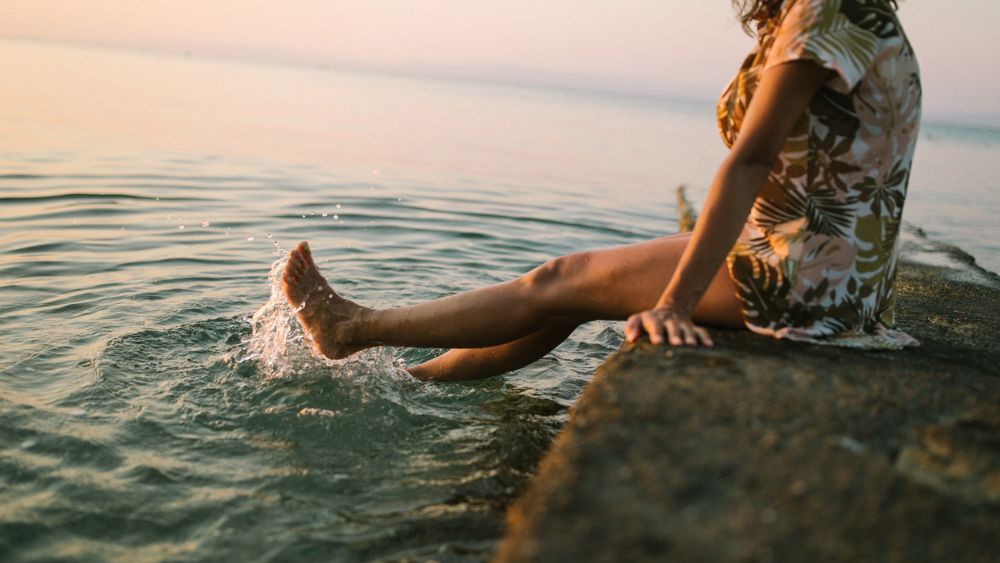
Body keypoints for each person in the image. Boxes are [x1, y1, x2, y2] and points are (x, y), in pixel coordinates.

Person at [281, 0, 921, 381]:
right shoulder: (860, 13)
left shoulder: (826, 7)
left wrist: (674, 303)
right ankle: (417, 381)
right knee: (573, 291)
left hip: (801, 280)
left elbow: (751, 159)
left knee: (563, 278)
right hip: (838, 279)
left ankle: (354, 328)